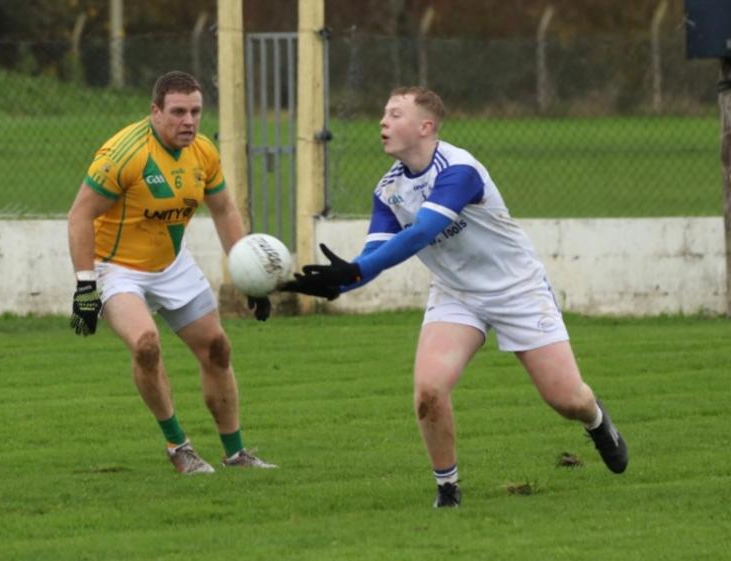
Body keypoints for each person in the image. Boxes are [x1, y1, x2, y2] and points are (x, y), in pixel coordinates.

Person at [283, 86, 627, 507]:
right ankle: (448, 489)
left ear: (425, 126)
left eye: (394, 114)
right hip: (456, 294)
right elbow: (373, 256)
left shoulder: (458, 170)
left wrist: (355, 270)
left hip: (516, 289)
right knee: (429, 390)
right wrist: (330, 283)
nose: (382, 122)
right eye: (384, 114)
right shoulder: (388, 190)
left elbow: (422, 232)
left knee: (566, 399)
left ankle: (596, 420)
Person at [67, 70, 275, 475]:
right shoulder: (124, 154)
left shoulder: (203, 152)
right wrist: (85, 287)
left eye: (196, 111)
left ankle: (236, 454)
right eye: (178, 112)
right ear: (155, 112)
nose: (189, 121)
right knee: (146, 344)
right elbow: (79, 216)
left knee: (218, 349)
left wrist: (248, 273)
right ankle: (178, 446)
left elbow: (224, 211)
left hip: (172, 265)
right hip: (117, 268)